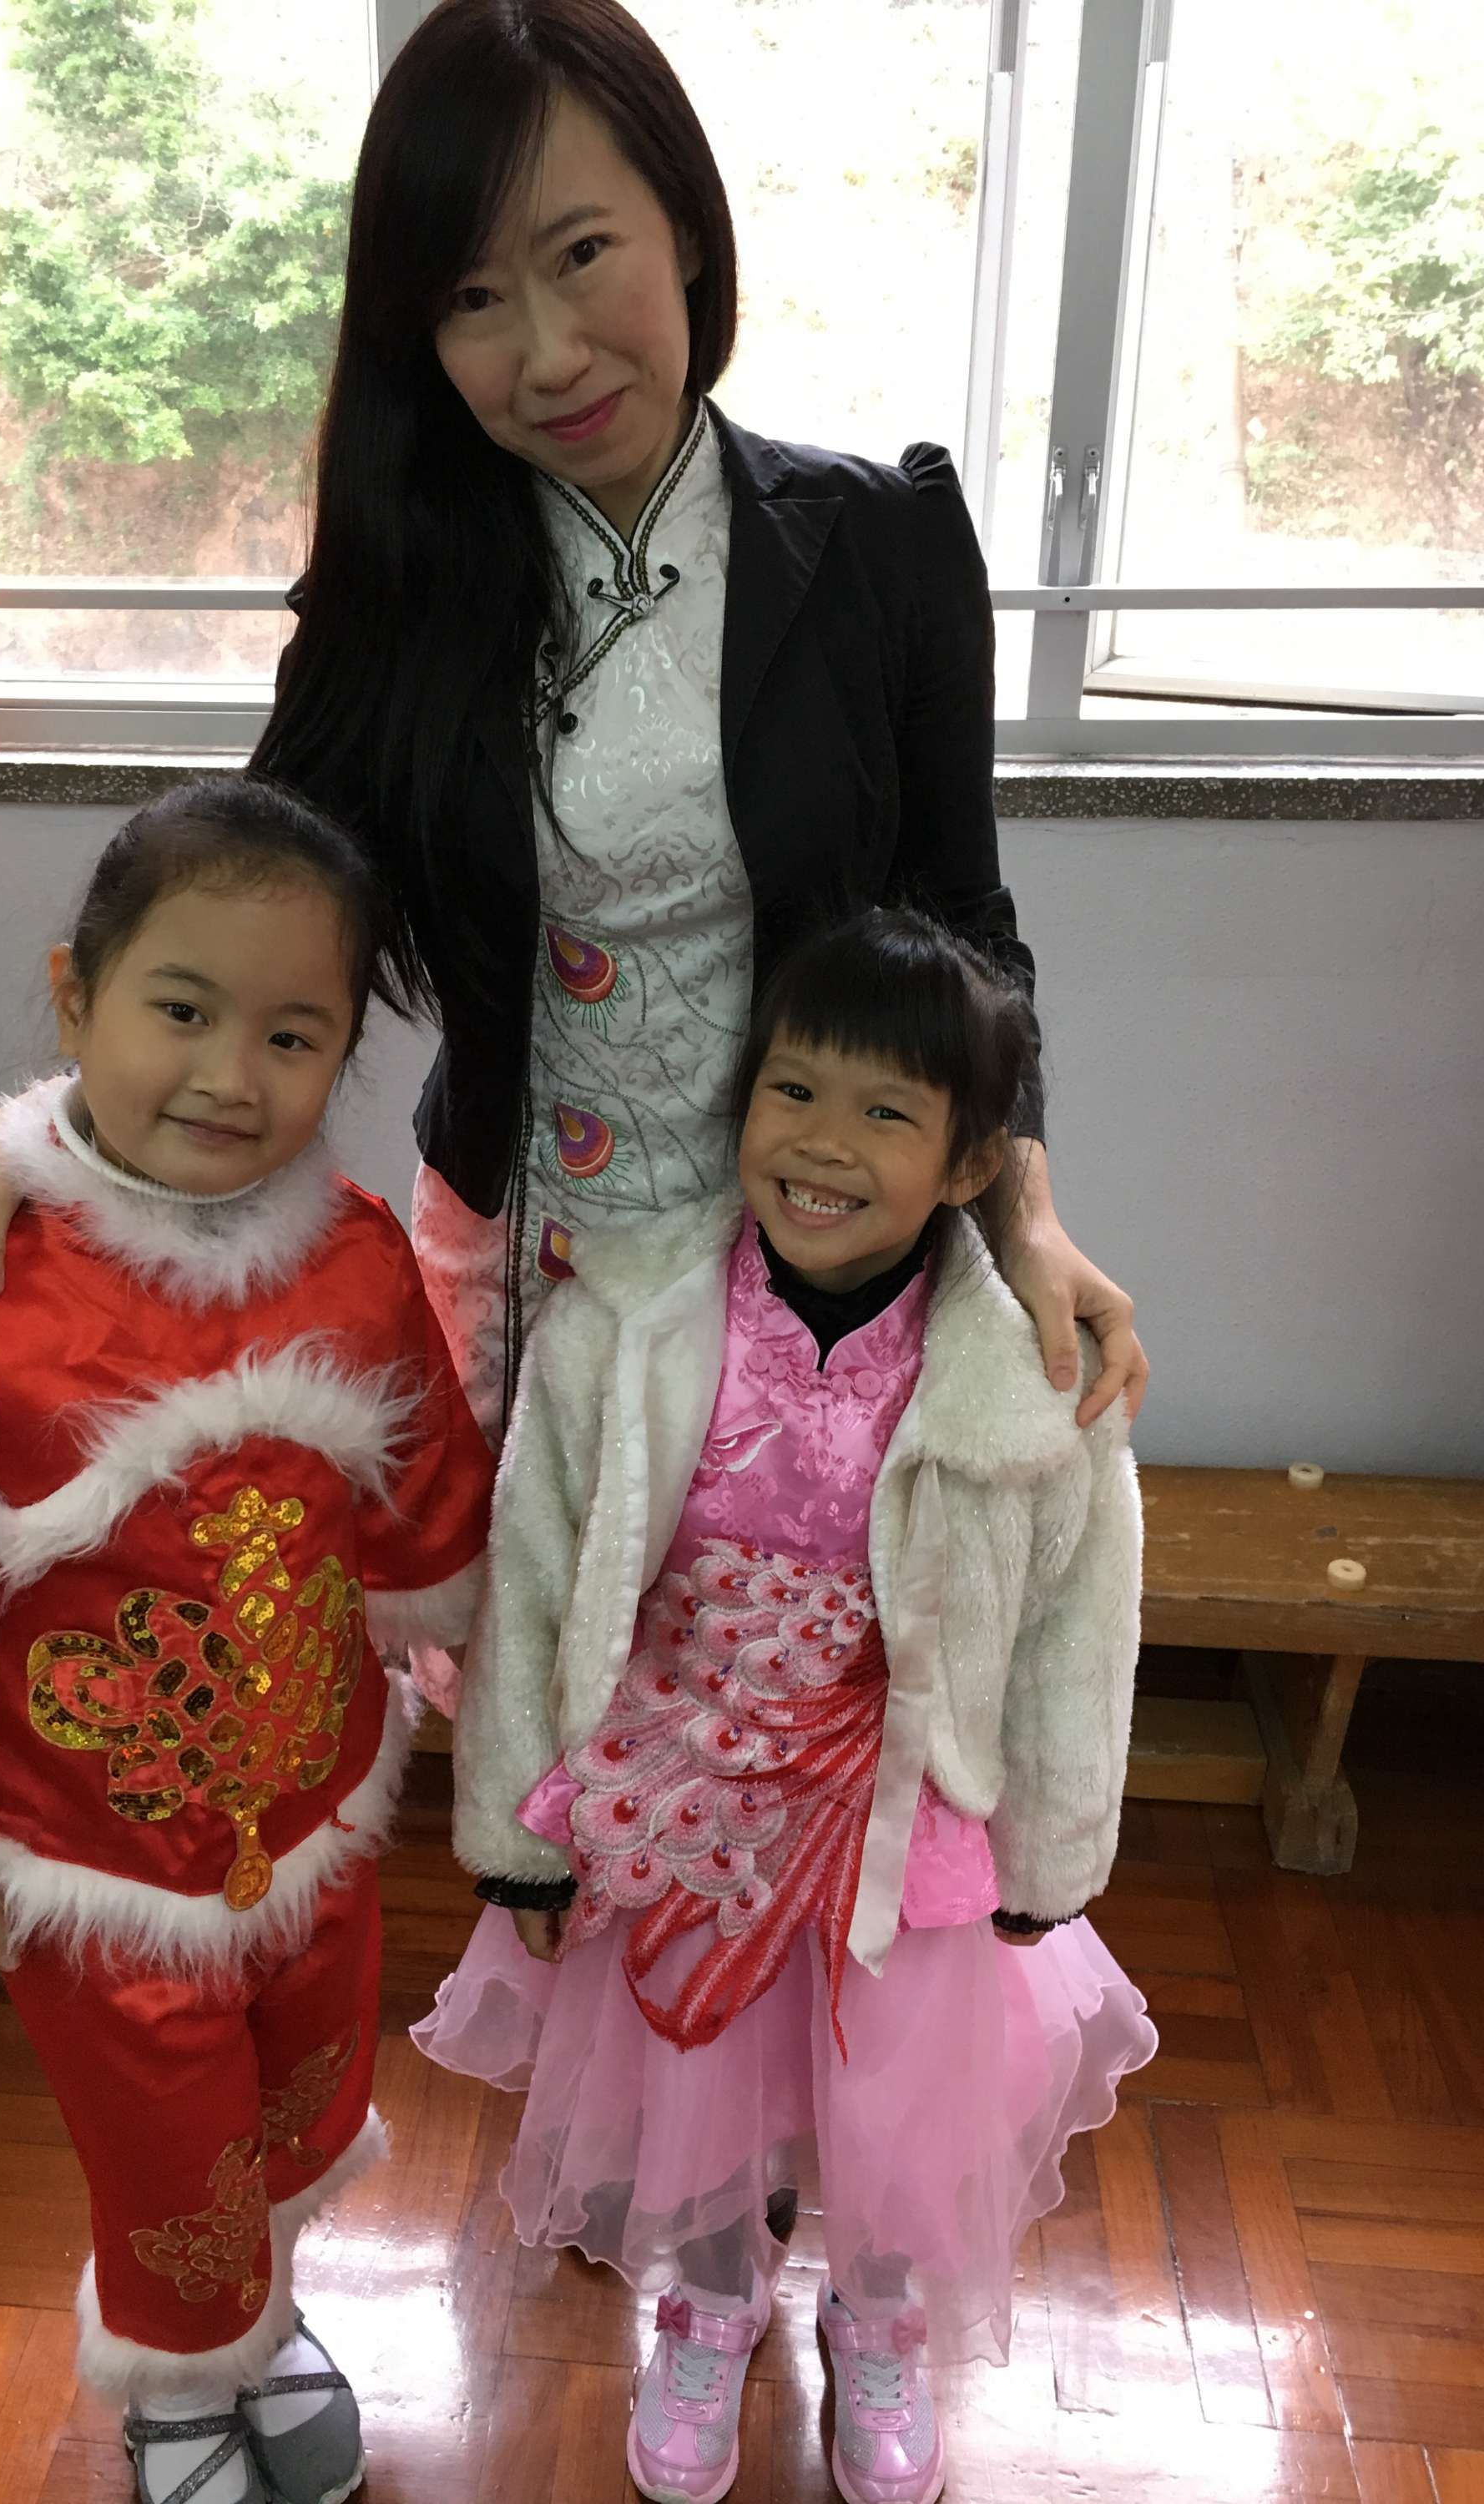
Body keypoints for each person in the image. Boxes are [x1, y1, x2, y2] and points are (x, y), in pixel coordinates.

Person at [0, 0, 1148, 1476]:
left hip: (817, 1261)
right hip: (513, 1266)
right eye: (472, 297)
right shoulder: (401, 590)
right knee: (495, 1608)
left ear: (685, 225)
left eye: (581, 254)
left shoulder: (883, 544)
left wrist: (1025, 1216)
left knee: (761, 1628)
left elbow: (963, 927)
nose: (548, 355)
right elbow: (237, 905)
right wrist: (18, 1144)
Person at [0, 775, 496, 2504]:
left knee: (302, 2092)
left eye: (292, 1036)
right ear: (76, 997)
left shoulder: (359, 1256)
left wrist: (484, 1695)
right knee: (164, 2140)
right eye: (180, 1010)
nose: (230, 1075)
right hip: (89, 1853)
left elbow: (426, 1499)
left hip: (320, 1815)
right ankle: (179, 2390)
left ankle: (261, 2317)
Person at [415, 909, 1157, 2504]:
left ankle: (875, 2320)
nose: (823, 1144)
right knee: (699, 2086)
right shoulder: (623, 1320)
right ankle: (707, 2300)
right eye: (793, 1092)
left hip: (905, 1822)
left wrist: (1053, 1854)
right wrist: (514, 1831)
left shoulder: (1028, 1371)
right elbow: (535, 1568)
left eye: (885, 1112)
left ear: (970, 1164)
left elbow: (1074, 1629)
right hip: (679, 1800)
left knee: (893, 2100)